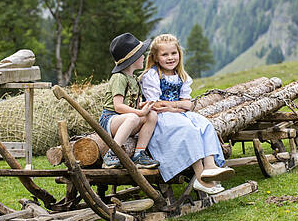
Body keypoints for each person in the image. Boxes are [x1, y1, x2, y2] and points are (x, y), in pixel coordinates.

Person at [140, 33, 234, 194]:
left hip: (177, 114)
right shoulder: (152, 75)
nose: (170, 58)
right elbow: (154, 104)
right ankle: (201, 178)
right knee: (188, 130)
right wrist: (177, 107)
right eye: (165, 54)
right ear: (155, 57)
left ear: (179, 54)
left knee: (205, 125)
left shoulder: (181, 76)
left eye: (173, 53)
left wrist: (172, 106)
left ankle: (210, 166)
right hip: (161, 119)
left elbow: (188, 105)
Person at [99, 33, 159, 169]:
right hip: (111, 119)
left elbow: (132, 104)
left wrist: (144, 106)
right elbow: (118, 106)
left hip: (128, 119)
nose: (144, 57)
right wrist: (139, 112)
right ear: (133, 59)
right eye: (141, 54)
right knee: (133, 117)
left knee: (152, 115)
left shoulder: (134, 79)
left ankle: (139, 154)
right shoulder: (119, 78)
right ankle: (112, 153)